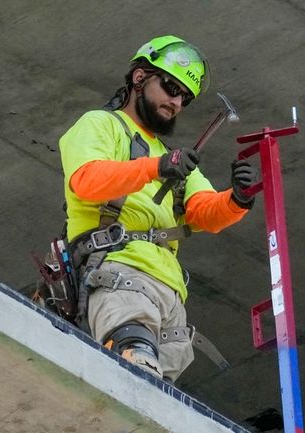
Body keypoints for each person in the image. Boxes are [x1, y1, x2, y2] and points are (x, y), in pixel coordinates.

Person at [58, 35, 256, 381]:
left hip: (171, 300)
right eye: (170, 87)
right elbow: (87, 180)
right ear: (139, 78)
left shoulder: (171, 159)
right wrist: (156, 167)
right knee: (134, 375)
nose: (176, 101)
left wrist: (237, 198)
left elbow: (206, 213)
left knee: (153, 406)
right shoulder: (103, 125)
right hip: (122, 277)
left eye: (184, 97)